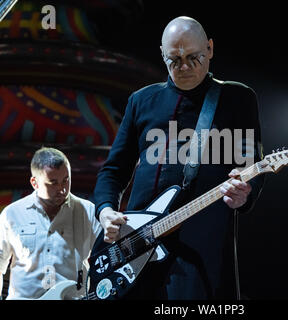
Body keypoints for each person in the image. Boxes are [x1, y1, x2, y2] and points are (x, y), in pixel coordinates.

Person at [93, 16, 265, 299]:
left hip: (201, 246)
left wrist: (246, 193)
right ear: (162, 55)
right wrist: (105, 211)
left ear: (209, 49)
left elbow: (250, 165)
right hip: (134, 244)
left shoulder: (237, 98)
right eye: (174, 59)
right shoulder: (142, 100)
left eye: (193, 57)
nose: (184, 67)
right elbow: (113, 170)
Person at [0, 147, 101, 299]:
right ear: (34, 183)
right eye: (53, 183)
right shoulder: (12, 213)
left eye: (66, 180)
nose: (62, 189)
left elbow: (106, 258)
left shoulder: (89, 211)